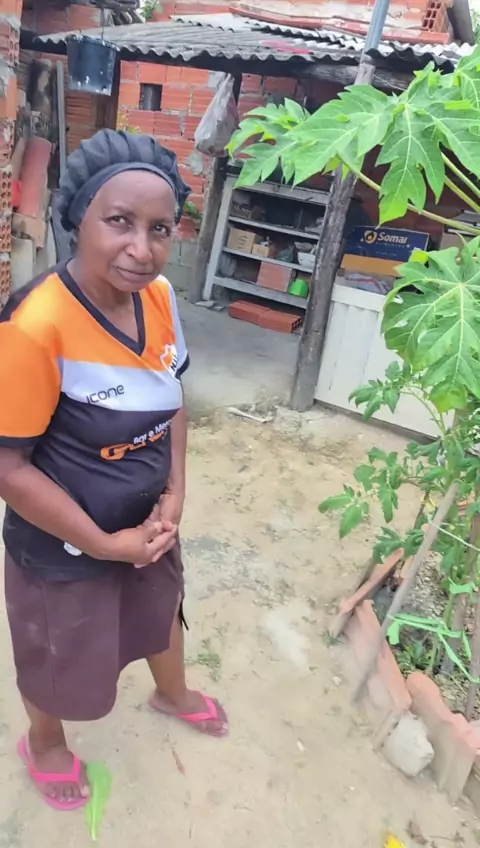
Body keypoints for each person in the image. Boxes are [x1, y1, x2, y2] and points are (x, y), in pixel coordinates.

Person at [0, 129, 228, 811]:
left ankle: (172, 692)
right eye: (120, 221)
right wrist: (104, 544)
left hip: (146, 519)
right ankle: (45, 743)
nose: (142, 248)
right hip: (65, 540)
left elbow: (171, 395)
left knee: (160, 608)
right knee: (58, 648)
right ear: (80, 219)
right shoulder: (34, 326)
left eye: (160, 229)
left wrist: (175, 492)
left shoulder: (158, 298)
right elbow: (9, 469)